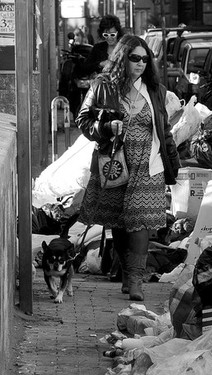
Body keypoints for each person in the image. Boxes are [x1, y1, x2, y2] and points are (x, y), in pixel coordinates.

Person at [75, 35, 180, 301]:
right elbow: (83, 119)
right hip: (116, 162)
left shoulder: (156, 89)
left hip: (149, 163)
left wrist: (172, 161)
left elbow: (164, 129)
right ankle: (125, 272)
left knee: (139, 221)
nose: (141, 63)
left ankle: (136, 281)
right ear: (122, 57)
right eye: (135, 58)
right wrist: (106, 127)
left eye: (146, 59)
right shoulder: (104, 86)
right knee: (120, 222)